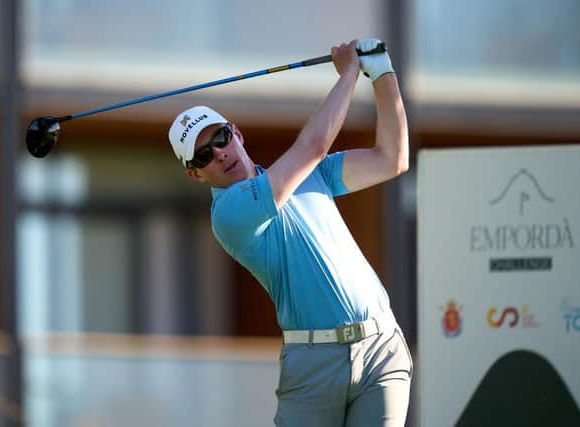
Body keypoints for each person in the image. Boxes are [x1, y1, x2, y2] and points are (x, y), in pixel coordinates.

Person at [168, 38, 412, 427]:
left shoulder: (312, 174)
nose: (218, 153)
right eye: (202, 156)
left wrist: (381, 71)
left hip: (381, 347)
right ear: (195, 174)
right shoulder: (228, 214)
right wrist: (350, 71)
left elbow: (392, 158)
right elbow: (313, 145)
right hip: (313, 365)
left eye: (219, 138)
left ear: (237, 134)